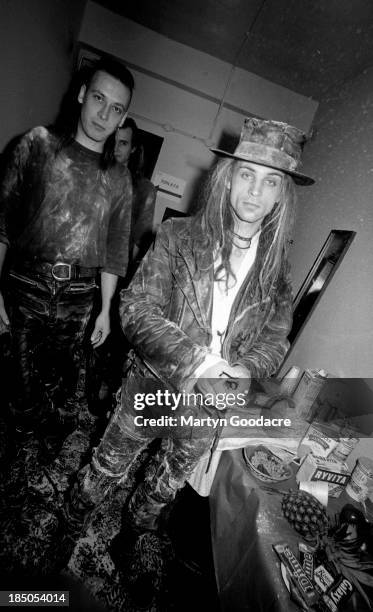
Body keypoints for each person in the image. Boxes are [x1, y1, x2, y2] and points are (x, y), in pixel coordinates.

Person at [64, 116, 314, 605]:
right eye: (246, 173)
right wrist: (200, 364)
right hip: (155, 388)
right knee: (103, 473)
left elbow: (276, 338)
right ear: (227, 176)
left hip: (208, 413)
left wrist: (247, 368)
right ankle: (66, 533)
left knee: (162, 487)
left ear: (283, 194)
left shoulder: (277, 270)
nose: (255, 191)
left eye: (271, 181)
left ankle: (130, 539)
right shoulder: (179, 237)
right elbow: (136, 309)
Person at [0, 58, 134, 446]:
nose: (104, 114)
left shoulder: (119, 178)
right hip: (25, 286)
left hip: (78, 299)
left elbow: (114, 251)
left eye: (116, 108)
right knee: (16, 388)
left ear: (123, 116)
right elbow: (3, 221)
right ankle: (28, 446)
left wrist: (106, 309)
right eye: (98, 98)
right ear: (80, 94)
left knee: (56, 387)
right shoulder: (37, 144)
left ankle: (34, 455)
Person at [114, 117, 156, 270]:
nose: (115, 147)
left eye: (123, 143)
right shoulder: (92, 175)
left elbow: (140, 242)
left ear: (132, 148)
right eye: (113, 140)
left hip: (113, 268)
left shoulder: (144, 190)